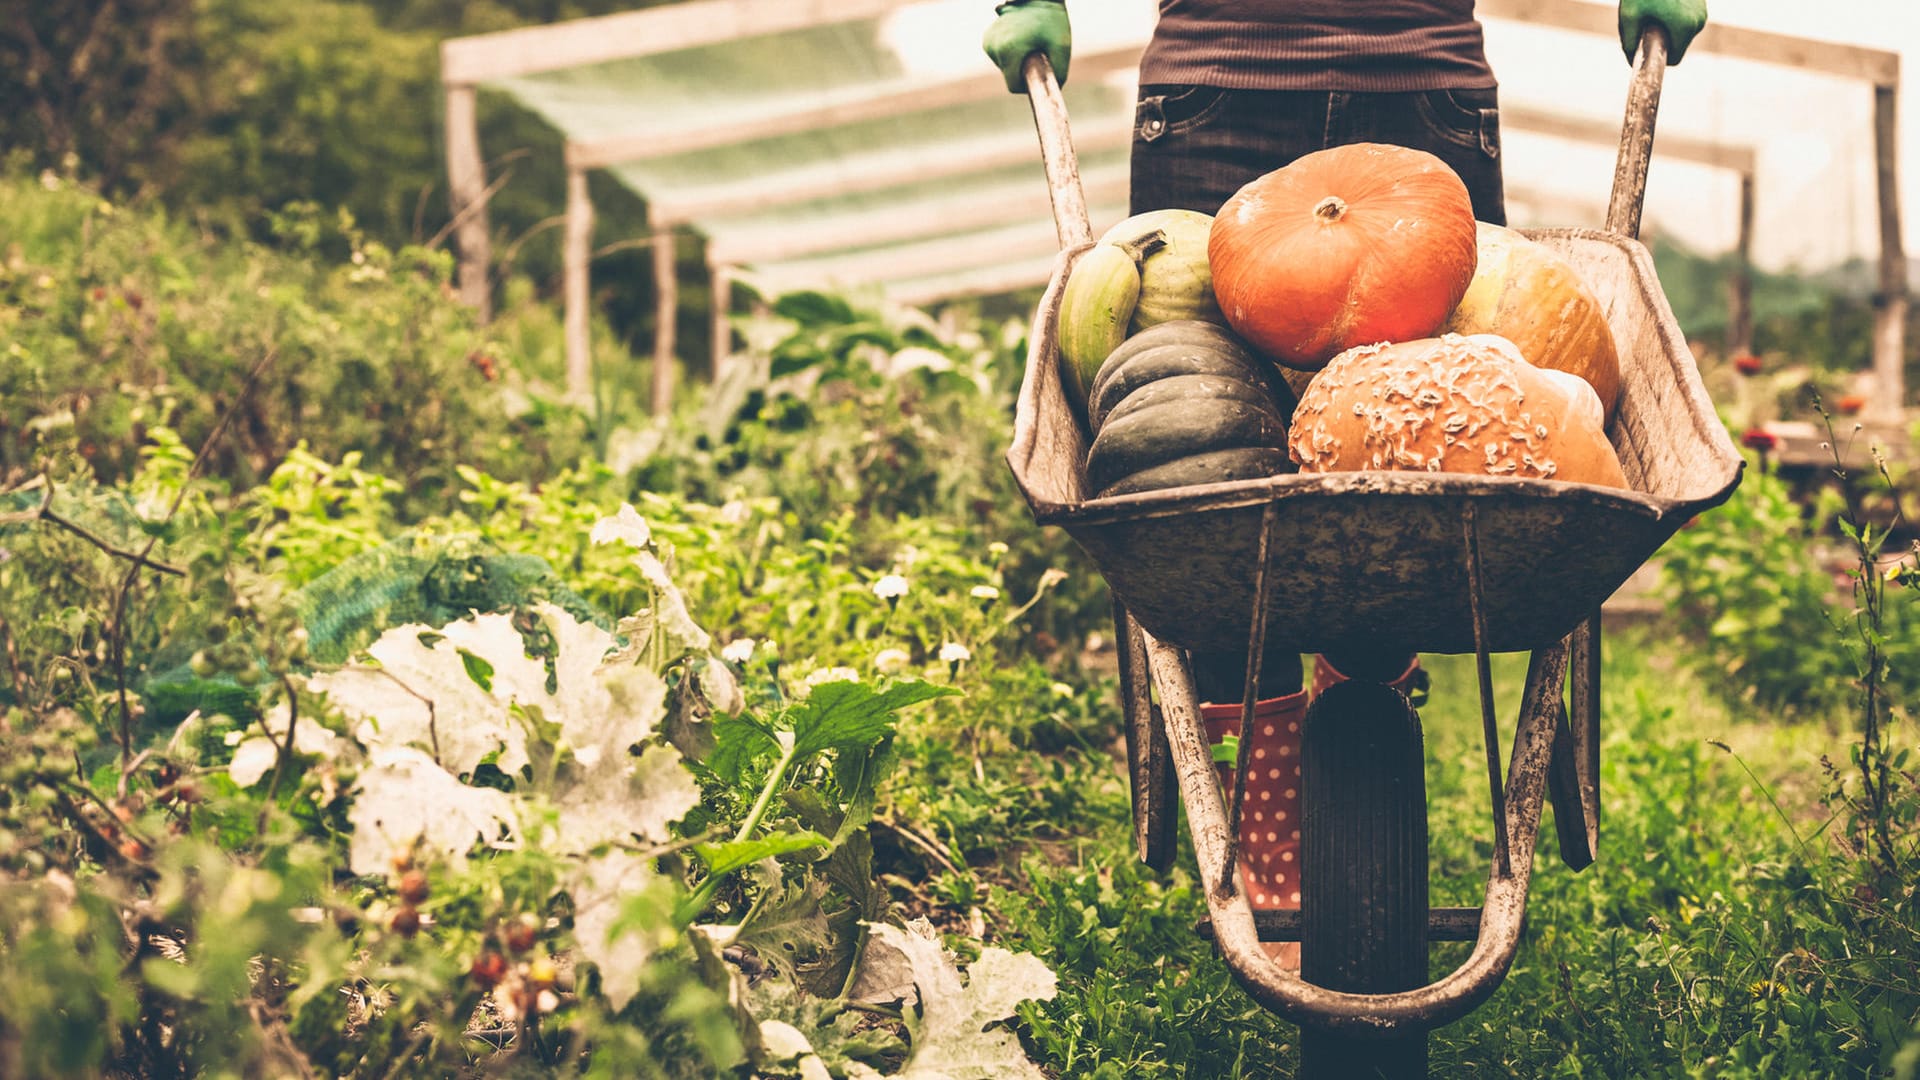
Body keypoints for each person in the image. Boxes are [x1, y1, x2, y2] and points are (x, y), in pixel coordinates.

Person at [984, 0, 1708, 962]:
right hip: (1222, 81)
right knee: (1205, 448)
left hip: (1419, 87)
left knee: (1428, 429)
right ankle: (1273, 798)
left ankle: (1362, 686)